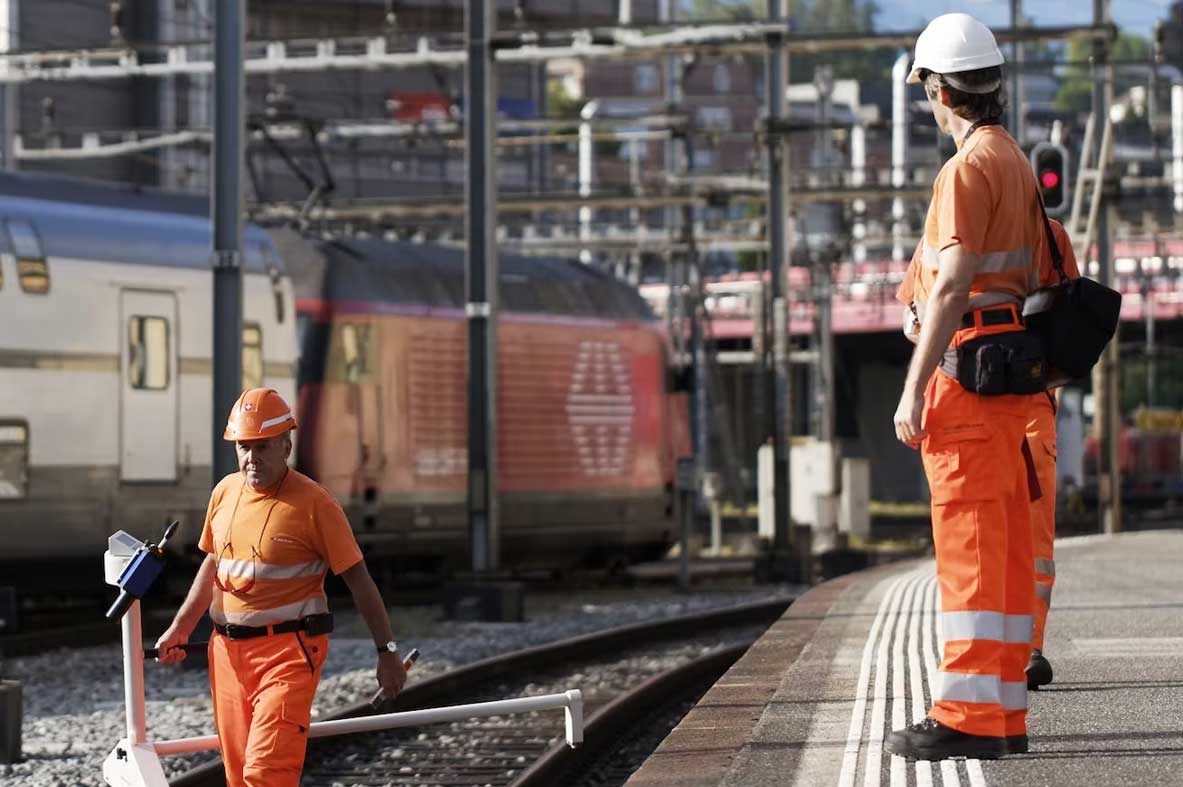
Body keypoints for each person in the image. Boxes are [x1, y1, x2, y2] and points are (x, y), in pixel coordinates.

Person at [885, 13, 1048, 761]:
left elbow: (951, 284)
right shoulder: (1012, 159)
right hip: (1009, 381)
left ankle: (968, 716)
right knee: (1004, 546)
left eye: (925, 88)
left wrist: (911, 387)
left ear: (937, 91)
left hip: (969, 375)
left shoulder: (963, 170)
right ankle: (1001, 711)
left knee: (970, 547)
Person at [154, 387, 407, 787]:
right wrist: (182, 626)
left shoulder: (314, 504)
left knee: (265, 774)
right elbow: (213, 563)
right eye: (243, 447)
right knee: (239, 777)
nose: (251, 458)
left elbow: (359, 580)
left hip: (288, 654)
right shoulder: (224, 492)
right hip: (227, 655)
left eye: (262, 447)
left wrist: (387, 652)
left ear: (285, 445)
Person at [899, 220, 1081, 696]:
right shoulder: (1047, 233)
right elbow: (1069, 314)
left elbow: (917, 321)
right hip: (1029, 402)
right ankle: (1022, 652)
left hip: (965, 397)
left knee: (976, 537)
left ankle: (987, 670)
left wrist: (915, 391)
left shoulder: (939, 231)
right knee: (1026, 536)